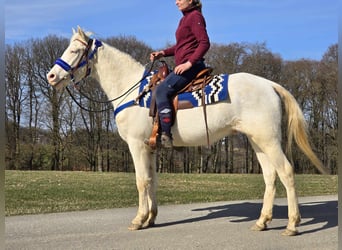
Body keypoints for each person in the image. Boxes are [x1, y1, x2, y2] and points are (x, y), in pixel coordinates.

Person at [150, 0, 210, 148]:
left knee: (161, 90)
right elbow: (181, 46)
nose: (176, 2)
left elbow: (204, 43)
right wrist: (162, 53)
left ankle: (166, 134)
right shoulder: (184, 19)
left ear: (190, 0)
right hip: (185, 66)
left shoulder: (195, 16)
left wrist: (188, 63)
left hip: (192, 67)